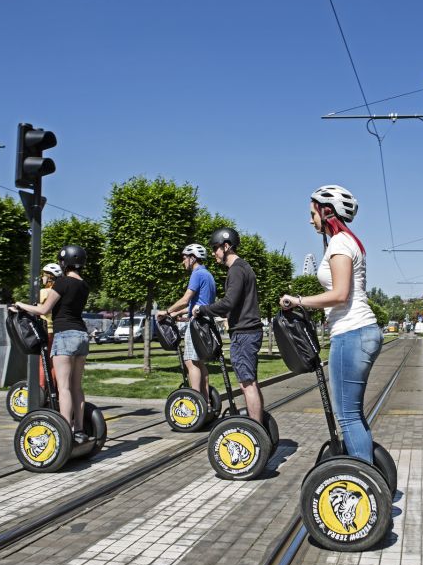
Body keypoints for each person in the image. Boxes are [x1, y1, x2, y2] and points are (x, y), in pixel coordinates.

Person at [279, 185, 382, 464]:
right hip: (359, 331)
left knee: (347, 416)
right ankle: (367, 476)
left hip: (351, 332)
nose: (310, 219)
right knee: (354, 413)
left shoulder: (339, 243)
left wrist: (297, 300)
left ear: (326, 212)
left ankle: (360, 487)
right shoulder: (348, 242)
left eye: (312, 212)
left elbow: (339, 295)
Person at [12, 245, 91, 442]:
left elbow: (43, 309)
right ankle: (79, 430)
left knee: (62, 387)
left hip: (64, 335)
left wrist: (20, 305)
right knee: (76, 387)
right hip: (81, 335)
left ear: (64, 263)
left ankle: (65, 431)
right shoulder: (84, 285)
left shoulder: (62, 282)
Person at [194, 228, 265, 423]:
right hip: (249, 330)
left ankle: (256, 432)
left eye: (216, 248)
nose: (214, 253)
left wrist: (202, 309)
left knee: (246, 384)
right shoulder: (244, 267)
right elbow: (234, 305)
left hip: (244, 333)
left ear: (226, 246)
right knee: (251, 382)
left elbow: (229, 302)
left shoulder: (236, 270)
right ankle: (260, 428)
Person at [157, 243, 217, 404]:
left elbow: (185, 300)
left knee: (190, 362)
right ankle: (205, 401)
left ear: (192, 258)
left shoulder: (197, 274)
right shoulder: (208, 275)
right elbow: (198, 304)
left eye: (184, 257)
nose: (183, 261)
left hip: (197, 324)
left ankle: (195, 402)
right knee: (199, 362)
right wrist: (177, 314)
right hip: (205, 322)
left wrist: (167, 311)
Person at [38, 262, 62, 389]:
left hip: (45, 329)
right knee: (52, 362)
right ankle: (54, 388)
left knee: (42, 362)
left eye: (44, 275)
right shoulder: (59, 291)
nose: (42, 277)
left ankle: (41, 389)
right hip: (55, 330)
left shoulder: (44, 292)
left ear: (50, 277)